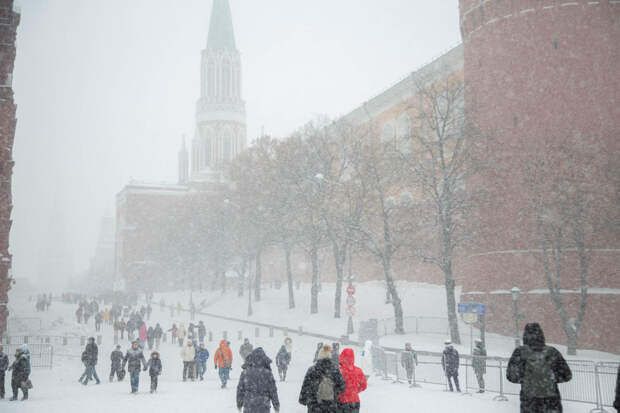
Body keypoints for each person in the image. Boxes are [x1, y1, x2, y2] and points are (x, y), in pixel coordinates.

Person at [507, 323, 572, 413]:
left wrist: (527, 379)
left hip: (529, 401)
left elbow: (511, 377)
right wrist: (550, 379)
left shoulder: (520, 352)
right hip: (551, 401)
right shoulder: (552, 352)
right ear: (541, 335)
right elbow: (567, 375)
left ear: (525, 336)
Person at [299, 344, 346, 413]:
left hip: (314, 404)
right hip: (331, 405)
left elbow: (306, 385)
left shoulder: (312, 370)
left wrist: (303, 399)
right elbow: (342, 386)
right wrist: (334, 393)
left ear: (319, 356)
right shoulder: (335, 370)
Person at [237, 348, 280, 413]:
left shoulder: (245, 373)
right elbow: (273, 391)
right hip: (263, 406)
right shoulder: (267, 373)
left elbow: (240, 390)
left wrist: (239, 404)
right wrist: (276, 406)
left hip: (249, 406)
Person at [338, 348, 367, 413]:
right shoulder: (358, 370)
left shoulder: (339, 371)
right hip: (355, 401)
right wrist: (356, 391)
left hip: (342, 401)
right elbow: (364, 385)